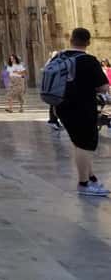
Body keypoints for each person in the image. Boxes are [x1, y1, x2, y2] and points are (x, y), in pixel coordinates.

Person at [53, 28, 110, 196]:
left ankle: (91, 178)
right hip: (83, 107)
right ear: (88, 42)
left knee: (79, 143)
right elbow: (103, 87)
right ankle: (83, 184)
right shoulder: (88, 60)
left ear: (71, 39)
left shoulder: (58, 58)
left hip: (61, 107)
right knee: (85, 144)